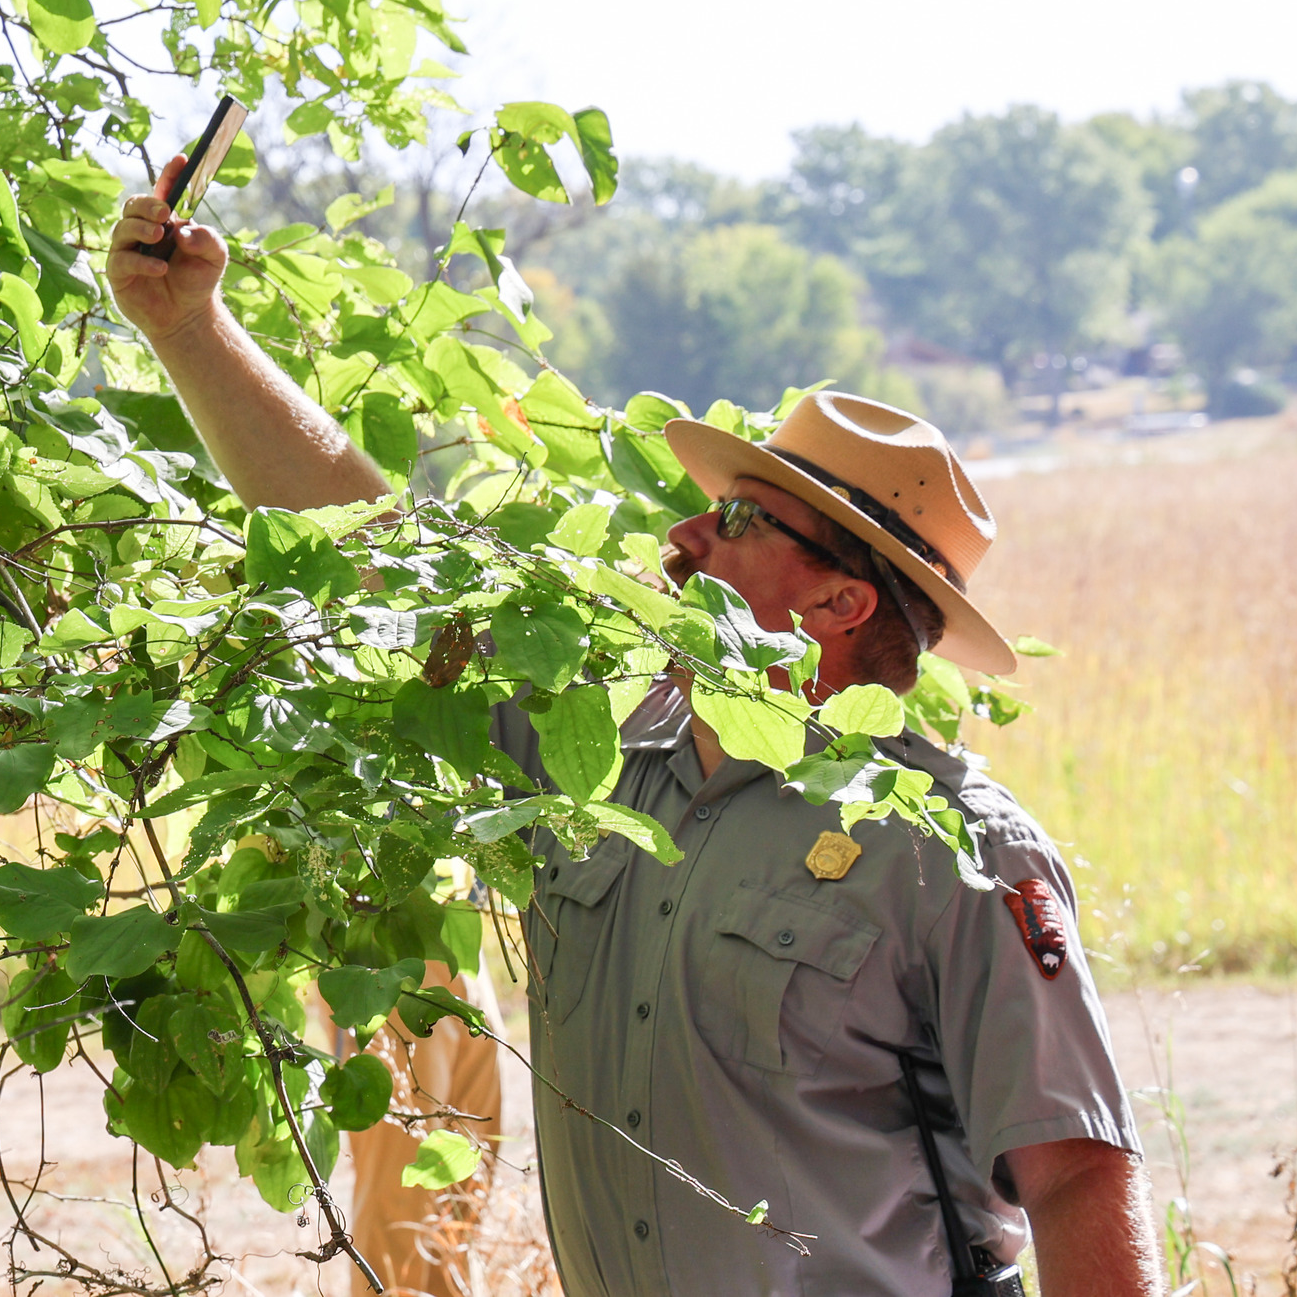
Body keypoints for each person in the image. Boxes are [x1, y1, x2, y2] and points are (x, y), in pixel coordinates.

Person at [108, 156, 1165, 1296]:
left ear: (837, 604)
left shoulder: (948, 849)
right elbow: (381, 563)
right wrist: (189, 329)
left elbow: (1076, 1180)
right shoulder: (589, 756)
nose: (685, 536)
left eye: (743, 519)